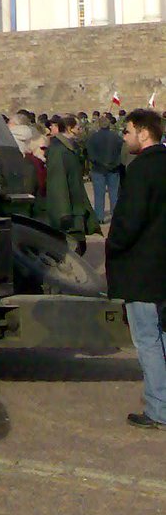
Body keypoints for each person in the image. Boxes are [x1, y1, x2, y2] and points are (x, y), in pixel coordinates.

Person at [105, 109, 166, 431]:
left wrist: (113, 246)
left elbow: (128, 222)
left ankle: (158, 409)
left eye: (128, 131)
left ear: (144, 133)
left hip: (142, 269)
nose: (125, 137)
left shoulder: (141, 170)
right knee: (162, 337)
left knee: (147, 340)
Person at [44, 113, 100, 253]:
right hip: (69, 212)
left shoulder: (70, 148)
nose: (80, 130)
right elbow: (58, 183)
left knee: (80, 248)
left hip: (76, 208)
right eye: (78, 127)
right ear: (70, 128)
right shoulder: (58, 150)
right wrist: (63, 213)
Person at [86, 113, 124, 222]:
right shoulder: (116, 137)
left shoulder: (93, 137)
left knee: (99, 194)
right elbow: (121, 152)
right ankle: (115, 216)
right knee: (114, 193)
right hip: (114, 168)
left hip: (98, 168)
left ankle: (99, 217)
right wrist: (115, 163)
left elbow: (90, 153)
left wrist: (98, 163)